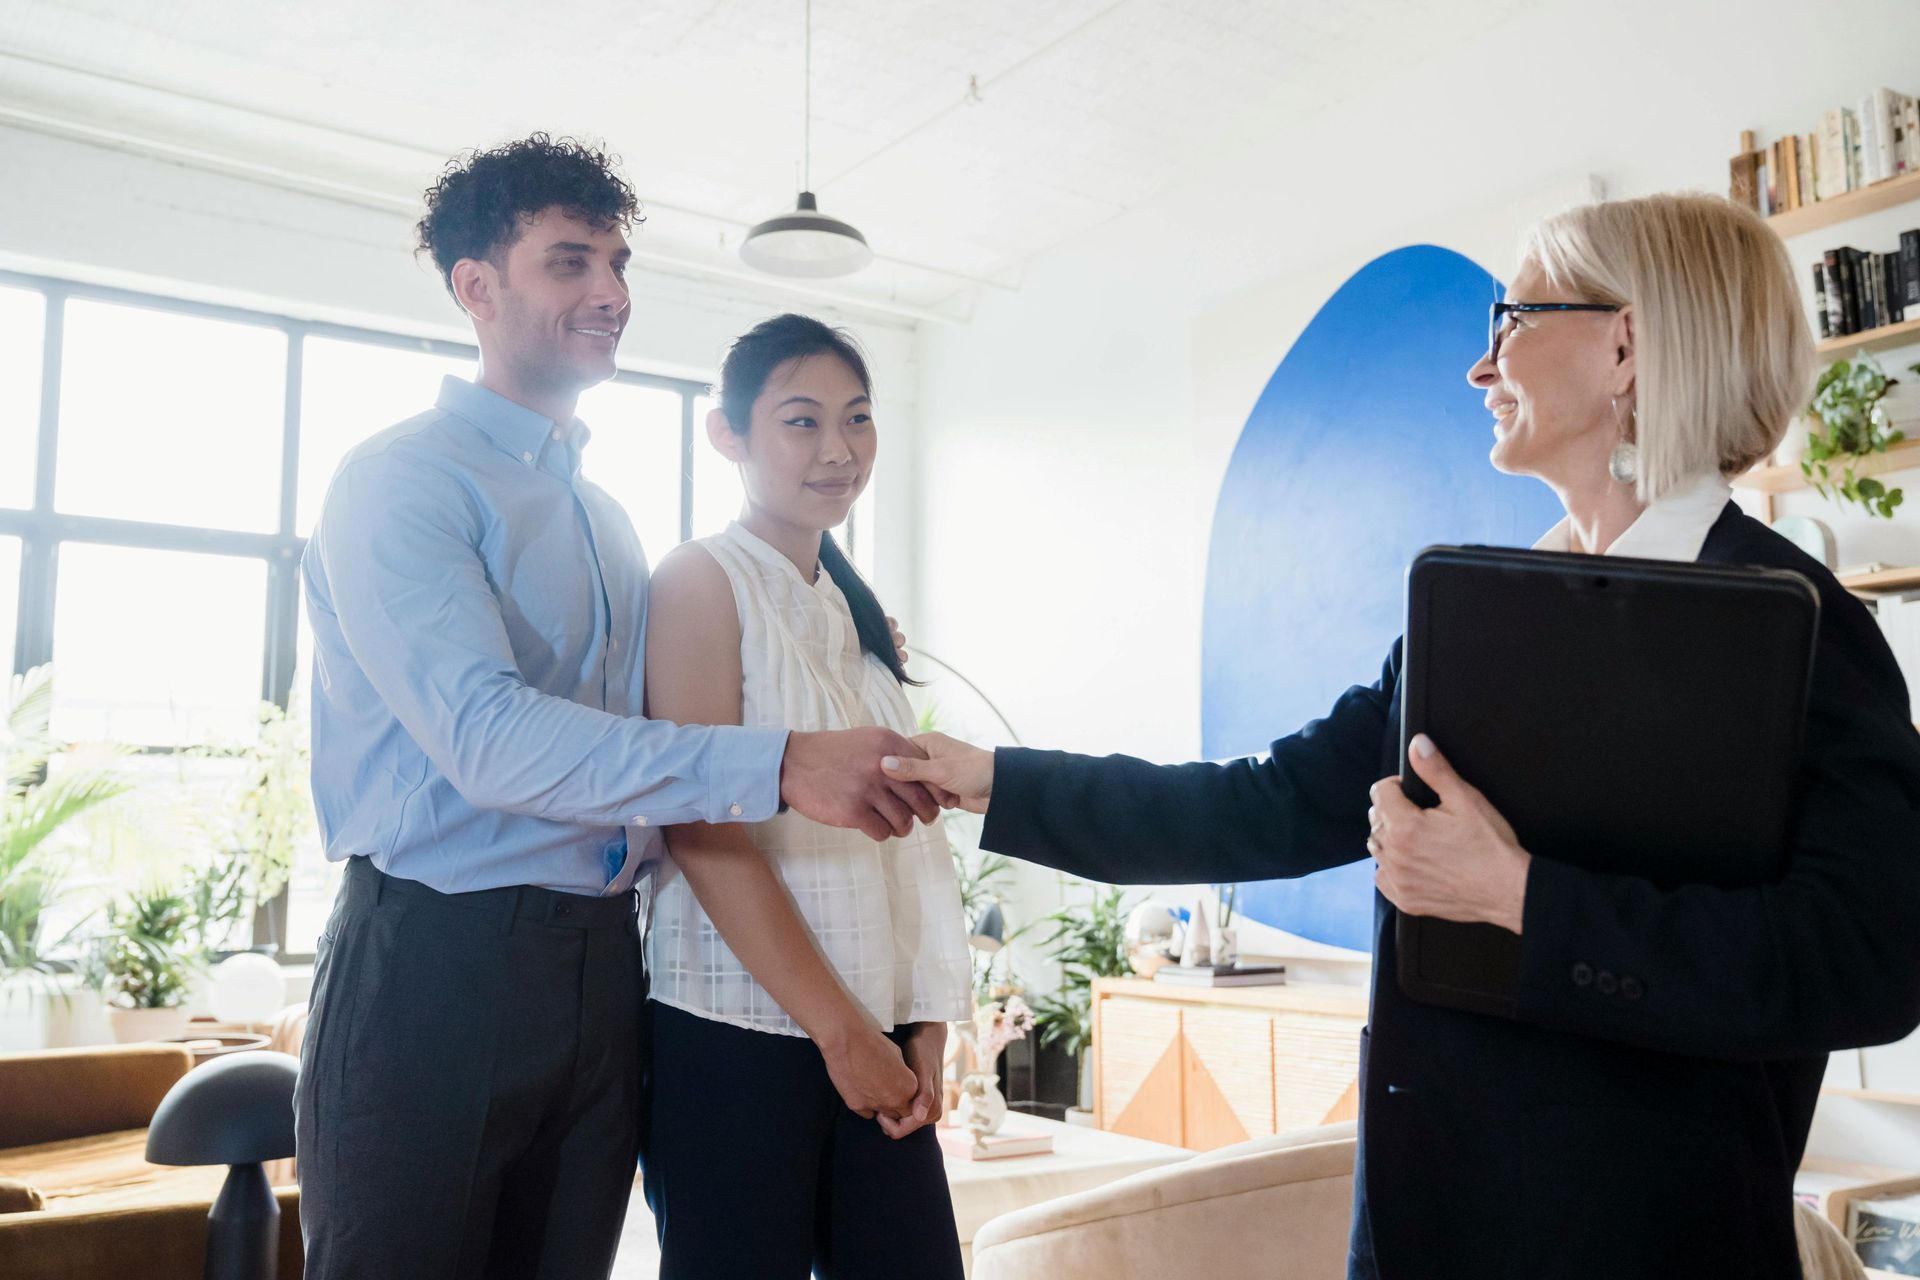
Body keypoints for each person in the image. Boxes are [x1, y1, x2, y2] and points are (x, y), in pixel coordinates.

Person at [885, 193, 1920, 1279]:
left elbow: (1866, 962)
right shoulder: (1471, 614)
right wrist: (991, 780)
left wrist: (1519, 894)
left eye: (1510, 320)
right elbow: (1268, 801)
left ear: (1625, 344)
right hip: (1430, 1230)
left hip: (1653, 1240)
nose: (1481, 368)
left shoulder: (1801, 627)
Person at [295, 137, 941, 1280]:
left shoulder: (604, 519)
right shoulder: (403, 481)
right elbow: (489, 739)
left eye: (618, 262)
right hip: (437, 954)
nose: (611, 294)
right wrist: (784, 761)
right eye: (569, 262)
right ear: (476, 288)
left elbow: (638, 768)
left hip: (603, 961)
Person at [641, 314, 971, 1279]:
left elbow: (903, 840)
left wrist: (922, 1026)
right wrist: (841, 1033)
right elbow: (700, 822)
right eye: (801, 421)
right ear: (728, 435)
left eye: (859, 419)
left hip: (875, 1028)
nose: (839, 450)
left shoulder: (852, 603)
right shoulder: (700, 579)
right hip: (740, 1035)